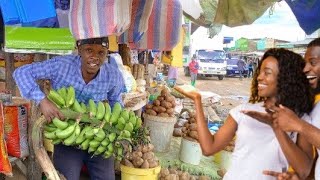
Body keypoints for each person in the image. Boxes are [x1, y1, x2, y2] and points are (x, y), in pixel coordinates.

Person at [175, 48, 314, 180]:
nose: (259, 77)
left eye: (267, 72)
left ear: (285, 78)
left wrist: (276, 128)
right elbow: (208, 148)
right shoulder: (243, 111)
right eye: (260, 72)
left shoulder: (299, 121)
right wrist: (197, 101)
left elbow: (304, 171)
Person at [13, 37, 124, 180]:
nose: (95, 57)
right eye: (89, 50)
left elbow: (116, 100)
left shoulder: (113, 75)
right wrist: (43, 100)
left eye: (101, 53)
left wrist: (118, 125)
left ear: (106, 54)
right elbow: (21, 73)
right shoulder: (62, 65)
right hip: (66, 135)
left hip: (98, 135)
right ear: (79, 50)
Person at [253, 38, 320, 180]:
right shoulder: (314, 106)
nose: (305, 69)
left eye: (312, 63)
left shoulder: (303, 119)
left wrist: (299, 125)